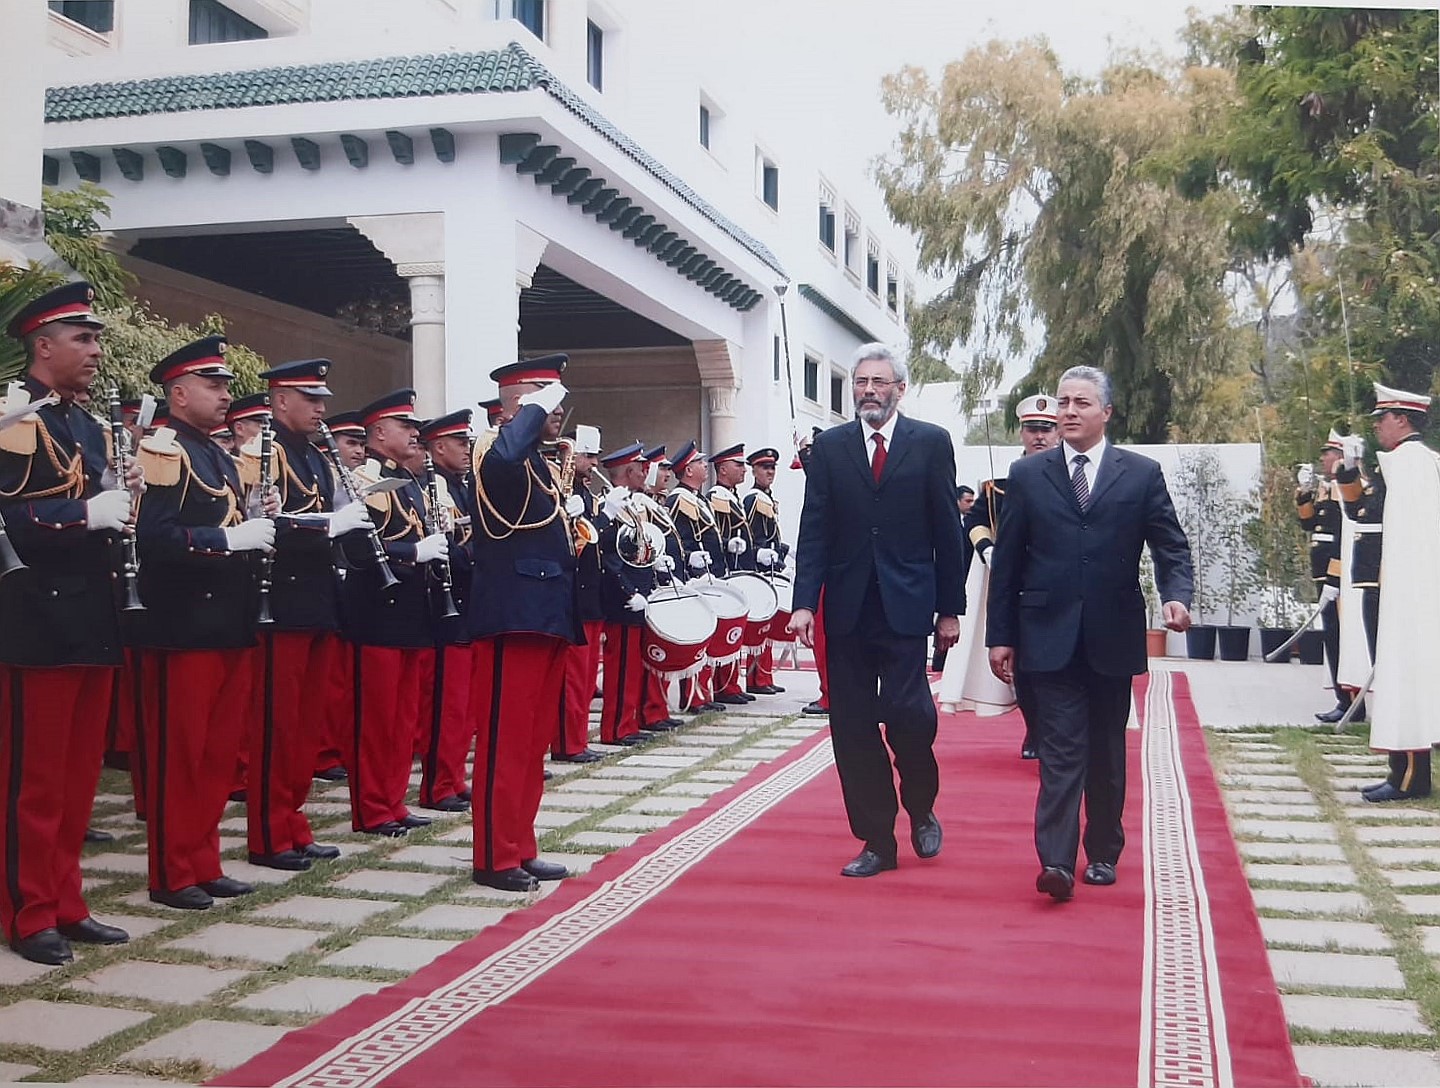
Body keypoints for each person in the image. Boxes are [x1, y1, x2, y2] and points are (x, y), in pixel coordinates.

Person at [986, 366, 1192, 902]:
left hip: (1112, 636)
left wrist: (1177, 594)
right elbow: (1006, 563)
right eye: (1063, 402)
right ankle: (1055, 861)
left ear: (1106, 413)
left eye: (1081, 403)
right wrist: (1000, 635)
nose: (1069, 411)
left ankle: (1102, 851)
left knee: (1104, 753)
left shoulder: (1140, 474)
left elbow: (1170, 545)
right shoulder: (1028, 476)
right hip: (1045, 635)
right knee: (1059, 751)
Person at [789, 343, 966, 878]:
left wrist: (949, 609)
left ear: (899, 389)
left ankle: (921, 801)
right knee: (854, 726)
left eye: (879, 382)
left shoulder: (930, 443)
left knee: (910, 715)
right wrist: (802, 604)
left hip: (908, 606)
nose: (868, 390)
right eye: (861, 382)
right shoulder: (833, 448)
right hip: (846, 610)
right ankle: (876, 840)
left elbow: (946, 532)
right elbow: (814, 528)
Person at [0, 282, 136, 963]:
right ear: (43, 346)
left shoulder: (82, 423)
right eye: (82, 338)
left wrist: (119, 503)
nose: (94, 350)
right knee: (36, 778)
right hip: (37, 619)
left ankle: (66, 900)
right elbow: (11, 519)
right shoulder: (14, 416)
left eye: (95, 338)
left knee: (79, 774)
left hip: (92, 614)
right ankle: (27, 913)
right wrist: (86, 513)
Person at [133, 336, 274, 910]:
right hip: (184, 623)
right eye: (213, 386)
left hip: (227, 621)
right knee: (181, 753)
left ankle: (203, 859)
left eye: (225, 385)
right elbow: (153, 540)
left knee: (217, 753)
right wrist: (226, 539)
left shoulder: (214, 453)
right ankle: (172, 870)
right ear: (179, 392)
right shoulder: (165, 450)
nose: (224, 395)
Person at [241, 359, 363, 870]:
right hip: (281, 602)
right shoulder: (258, 453)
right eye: (310, 399)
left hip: (315, 600)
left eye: (322, 400)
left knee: (305, 727)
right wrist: (331, 526)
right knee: (278, 724)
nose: (320, 409)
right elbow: (260, 522)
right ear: (280, 399)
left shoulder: (315, 456)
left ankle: (293, 822)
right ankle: (269, 832)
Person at [468, 355, 580, 892]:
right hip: (513, 614)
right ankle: (493, 854)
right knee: (504, 741)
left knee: (532, 742)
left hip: (546, 613)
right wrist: (531, 408)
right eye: (544, 394)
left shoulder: (538, 459)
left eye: (556, 395)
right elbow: (505, 461)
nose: (556, 405)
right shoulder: (497, 447)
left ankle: (520, 843)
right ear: (517, 400)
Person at [339, 390, 446, 837]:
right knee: (377, 719)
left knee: (402, 718)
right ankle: (371, 808)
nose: (415, 433)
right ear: (379, 433)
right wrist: (413, 552)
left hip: (410, 611)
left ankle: (393, 800)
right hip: (378, 612)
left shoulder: (410, 481)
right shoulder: (364, 477)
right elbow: (359, 547)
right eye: (406, 427)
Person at [940, 394, 1059, 759]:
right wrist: (988, 549)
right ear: (1021, 433)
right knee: (1023, 662)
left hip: (1058, 582)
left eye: (1047, 429)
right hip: (1014, 583)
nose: (1039, 436)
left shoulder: (1071, 479)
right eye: (1032, 429)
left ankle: (1059, 731)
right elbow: (974, 522)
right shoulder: (998, 487)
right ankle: (1036, 730)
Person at [1345, 383, 1440, 801]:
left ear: (1403, 419)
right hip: (1400, 585)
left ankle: (1410, 777)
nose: (1378, 427)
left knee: (1406, 677)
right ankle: (1402, 771)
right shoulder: (1410, 461)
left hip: (1408, 590)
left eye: (1382, 419)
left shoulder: (1410, 464)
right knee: (1400, 675)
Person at [415, 409, 479, 812]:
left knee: (462, 705)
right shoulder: (433, 486)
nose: (467, 450)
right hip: (446, 602)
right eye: (460, 443)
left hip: (468, 601)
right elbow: (446, 541)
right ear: (438, 447)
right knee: (445, 704)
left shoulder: (461, 484)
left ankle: (454, 777)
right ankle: (439, 785)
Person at [596, 441, 663, 746]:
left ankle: (630, 721)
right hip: (621, 599)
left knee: (633, 665)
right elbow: (607, 556)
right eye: (640, 467)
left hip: (640, 594)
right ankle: (616, 728)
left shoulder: (633, 504)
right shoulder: (606, 507)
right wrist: (630, 592)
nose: (645, 471)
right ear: (628, 471)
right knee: (620, 666)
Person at [554, 425, 608, 762]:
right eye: (588, 456)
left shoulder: (586, 494)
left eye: (594, 456)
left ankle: (577, 738)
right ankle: (566, 742)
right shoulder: (564, 491)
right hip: (574, 593)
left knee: (586, 677)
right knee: (572, 678)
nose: (593, 462)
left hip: (592, 595)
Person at [1297, 432, 1351, 723]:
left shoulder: (1348, 489)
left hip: (1339, 577)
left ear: (1341, 456)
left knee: (1339, 636)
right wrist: (1304, 493)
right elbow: (1308, 524)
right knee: (1332, 636)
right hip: (1323, 574)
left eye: (1328, 453)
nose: (1322, 458)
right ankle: (1343, 697)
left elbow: (1345, 538)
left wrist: (1335, 576)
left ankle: (1348, 699)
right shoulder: (1325, 490)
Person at [743, 447, 788, 695]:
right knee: (761, 624)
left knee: (768, 625)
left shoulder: (768, 497)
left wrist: (783, 550)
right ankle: (756, 678)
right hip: (758, 566)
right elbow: (749, 533)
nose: (770, 472)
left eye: (772, 468)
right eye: (764, 468)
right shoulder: (753, 499)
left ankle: (765, 675)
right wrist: (758, 552)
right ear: (754, 471)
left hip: (771, 564)